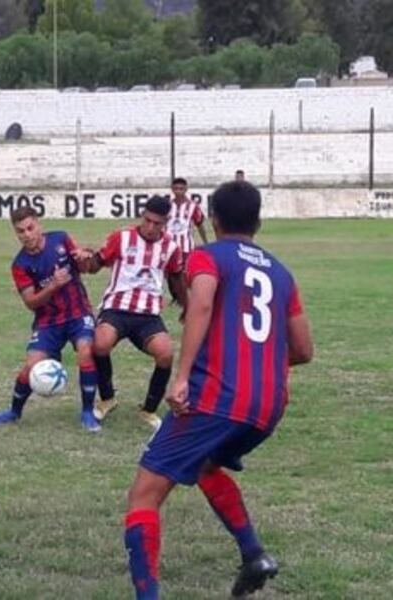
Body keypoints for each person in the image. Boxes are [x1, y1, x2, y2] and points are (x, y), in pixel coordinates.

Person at [123, 181, 314, 599]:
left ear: (213, 219)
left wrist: (182, 375)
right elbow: (303, 350)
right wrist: (265, 366)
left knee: (143, 496)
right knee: (206, 464)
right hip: (267, 406)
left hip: (216, 398)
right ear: (259, 222)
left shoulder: (207, 256)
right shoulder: (281, 272)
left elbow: (202, 303)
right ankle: (254, 555)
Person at [74, 196, 187, 430]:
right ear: (142, 216)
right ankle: (107, 399)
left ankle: (149, 410)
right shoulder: (122, 238)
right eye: (147, 220)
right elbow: (97, 264)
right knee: (100, 344)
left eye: (157, 223)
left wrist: (187, 307)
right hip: (116, 308)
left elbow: (175, 278)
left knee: (165, 354)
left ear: (165, 223)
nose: (150, 227)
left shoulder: (171, 247)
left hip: (148, 315)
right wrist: (87, 259)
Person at [0, 206, 102, 433]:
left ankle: (87, 412)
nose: (27, 235)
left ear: (38, 224)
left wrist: (86, 256)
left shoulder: (60, 238)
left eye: (30, 228)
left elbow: (84, 267)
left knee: (86, 351)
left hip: (78, 313)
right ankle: (14, 412)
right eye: (20, 231)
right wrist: (53, 285)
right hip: (48, 321)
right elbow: (31, 302)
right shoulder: (20, 265)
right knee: (30, 366)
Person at [168, 178, 209, 255]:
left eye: (181, 189)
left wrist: (205, 242)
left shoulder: (193, 206)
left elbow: (200, 225)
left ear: (186, 189)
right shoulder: (167, 205)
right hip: (169, 248)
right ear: (172, 189)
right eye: (176, 189)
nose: (178, 191)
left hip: (187, 248)